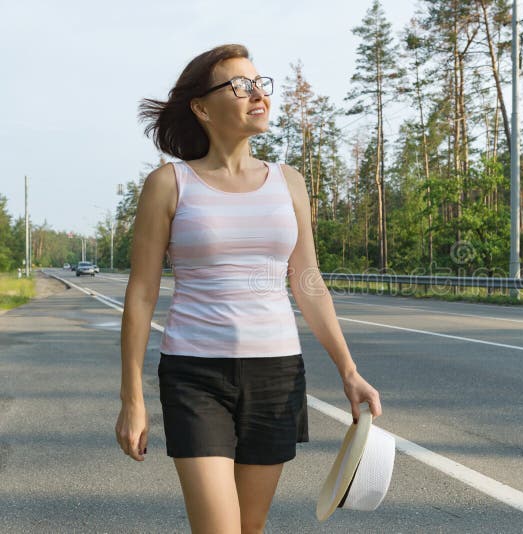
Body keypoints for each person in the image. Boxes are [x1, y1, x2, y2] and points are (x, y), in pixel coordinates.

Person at [115, 44, 382, 534]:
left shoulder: (289, 182)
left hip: (276, 374)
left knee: (249, 528)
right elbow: (142, 294)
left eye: (261, 83)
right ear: (201, 107)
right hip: (195, 375)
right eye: (240, 85)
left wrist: (348, 369)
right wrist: (132, 397)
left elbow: (307, 281)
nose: (258, 94)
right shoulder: (168, 184)